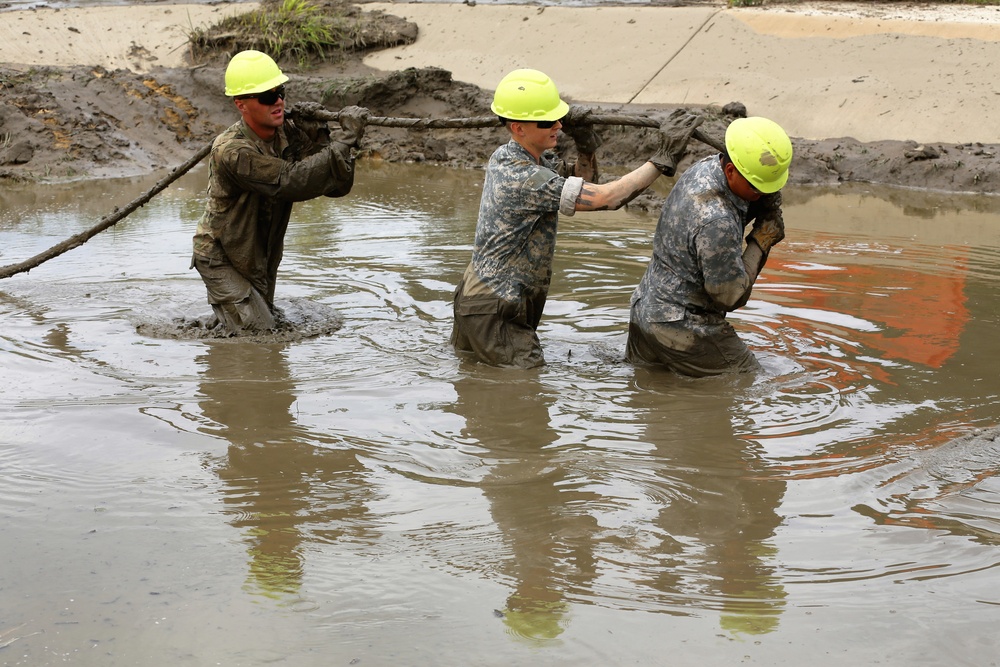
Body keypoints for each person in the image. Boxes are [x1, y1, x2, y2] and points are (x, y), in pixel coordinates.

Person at [451, 68, 704, 368]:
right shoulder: (522, 177)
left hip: (480, 298)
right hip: (495, 308)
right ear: (518, 128)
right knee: (525, 394)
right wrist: (662, 158)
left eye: (558, 117)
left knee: (475, 384)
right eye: (547, 121)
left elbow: (584, 181)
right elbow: (607, 198)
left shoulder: (519, 158)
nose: (558, 124)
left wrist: (585, 146)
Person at [191, 49, 368, 334]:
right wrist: (345, 141)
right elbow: (290, 183)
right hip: (222, 255)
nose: (279, 102)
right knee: (260, 335)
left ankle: (222, 322)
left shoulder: (288, 134)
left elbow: (337, 187)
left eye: (281, 92)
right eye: (267, 97)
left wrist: (320, 136)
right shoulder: (232, 151)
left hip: (262, 251)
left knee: (257, 325)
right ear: (241, 104)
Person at [626, 116, 792, 377]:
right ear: (730, 171)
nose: (761, 194)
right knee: (750, 381)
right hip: (683, 326)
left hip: (646, 309)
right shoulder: (717, 220)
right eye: (757, 187)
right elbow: (730, 296)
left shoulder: (704, 168)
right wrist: (762, 241)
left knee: (650, 394)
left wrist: (764, 197)